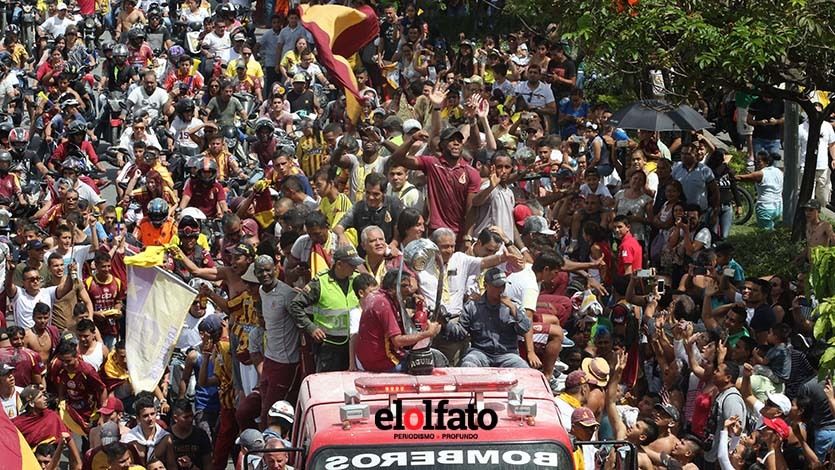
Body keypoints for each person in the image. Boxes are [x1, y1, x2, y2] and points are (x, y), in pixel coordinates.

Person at [390, 121, 481, 242]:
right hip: (435, 230)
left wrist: (467, 237)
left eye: (459, 141)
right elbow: (397, 158)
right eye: (451, 140)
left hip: (458, 233)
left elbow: (471, 209)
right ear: (442, 145)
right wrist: (412, 139)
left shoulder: (471, 172)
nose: (456, 143)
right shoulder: (432, 163)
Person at [288, 246, 364, 372]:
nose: (355, 267)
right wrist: (311, 328)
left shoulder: (357, 279)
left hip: (354, 344)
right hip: (329, 347)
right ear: (339, 264)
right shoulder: (320, 283)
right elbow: (295, 306)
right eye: (351, 265)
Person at [442, 268, 531, 368]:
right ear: (485, 285)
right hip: (481, 353)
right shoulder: (472, 307)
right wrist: (445, 323)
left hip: (507, 354)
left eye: (503, 285)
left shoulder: (513, 306)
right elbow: (460, 332)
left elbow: (525, 328)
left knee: (523, 367)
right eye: (497, 286)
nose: (501, 289)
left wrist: (513, 309)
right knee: (468, 364)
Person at [355, 270, 442, 372]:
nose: (409, 290)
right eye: (404, 286)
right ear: (393, 288)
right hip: (383, 362)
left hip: (369, 359)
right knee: (430, 363)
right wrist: (428, 333)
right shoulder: (383, 304)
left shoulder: (377, 297)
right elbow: (398, 341)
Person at [253, 255, 300, 427]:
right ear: (255, 273)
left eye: (268, 270)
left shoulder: (287, 294)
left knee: (272, 413)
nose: (265, 274)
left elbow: (302, 320)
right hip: (269, 358)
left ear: (276, 269)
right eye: (260, 271)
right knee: (263, 408)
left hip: (285, 363)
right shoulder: (261, 291)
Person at [155, 399, 212, 470]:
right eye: (186, 417)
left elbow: (208, 463)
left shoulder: (201, 434)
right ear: (175, 418)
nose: (190, 420)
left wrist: (191, 466)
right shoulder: (165, 435)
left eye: (191, 416)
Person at [736, 151, 784, 230]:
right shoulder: (779, 172)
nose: (757, 164)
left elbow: (741, 178)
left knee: (765, 233)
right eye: (756, 162)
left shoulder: (761, 174)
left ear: (767, 162)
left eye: (759, 162)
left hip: (765, 207)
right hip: (778, 207)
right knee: (774, 232)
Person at [121, 395, 170, 466]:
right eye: (145, 416)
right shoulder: (130, 440)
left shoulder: (165, 437)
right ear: (138, 418)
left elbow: (171, 465)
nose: (150, 418)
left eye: (152, 414)